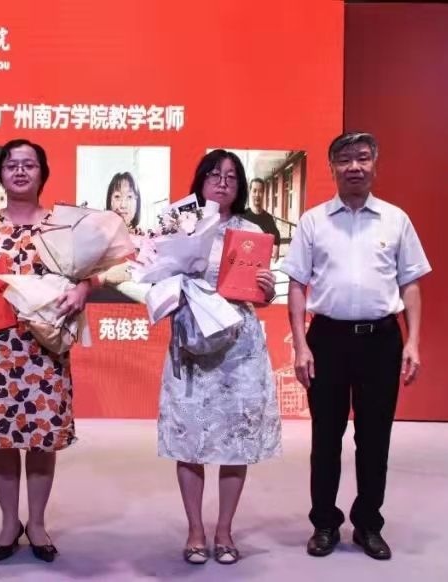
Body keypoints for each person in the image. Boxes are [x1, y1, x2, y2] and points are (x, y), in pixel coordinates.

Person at [281, 132, 430, 561]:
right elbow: (297, 286)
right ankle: (325, 523)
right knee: (326, 438)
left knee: (375, 438)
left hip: (381, 340)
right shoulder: (313, 222)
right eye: (345, 160)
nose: (354, 167)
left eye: (362, 158)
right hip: (327, 340)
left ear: (375, 164)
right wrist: (300, 346)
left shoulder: (395, 220)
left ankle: (368, 524)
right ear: (332, 168)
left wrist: (413, 341)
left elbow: (410, 284)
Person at [0, 139, 93, 563]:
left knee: (42, 440)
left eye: (30, 164)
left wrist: (82, 290)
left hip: (46, 349)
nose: (21, 171)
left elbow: (91, 273)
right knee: (3, 440)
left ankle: (38, 524)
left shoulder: (60, 227)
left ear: (43, 173)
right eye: (12, 165)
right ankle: (10, 523)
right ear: (2, 173)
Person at [157, 149, 282, 565]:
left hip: (238, 348)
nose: (223, 182)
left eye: (231, 176)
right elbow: (155, 276)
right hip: (192, 344)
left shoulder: (252, 231)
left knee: (236, 442)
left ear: (239, 185)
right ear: (201, 181)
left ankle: (224, 530)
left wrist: (266, 291)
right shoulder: (179, 224)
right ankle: (195, 530)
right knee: (188, 441)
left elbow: (258, 298)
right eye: (214, 174)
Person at [243, 178, 281, 247]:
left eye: (260, 191)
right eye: (254, 191)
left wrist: (276, 247)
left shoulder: (269, 219)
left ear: (263, 193)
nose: (257, 195)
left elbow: (276, 241)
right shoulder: (243, 217)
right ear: (250, 192)